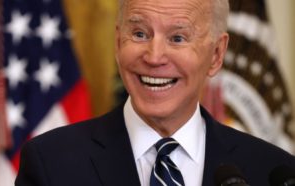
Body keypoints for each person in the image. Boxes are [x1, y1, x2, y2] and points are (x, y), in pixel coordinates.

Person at [15, 0, 295, 185]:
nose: (154, 56)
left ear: (217, 55)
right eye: (139, 34)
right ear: (117, 41)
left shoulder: (271, 170)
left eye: (177, 38)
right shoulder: (51, 164)